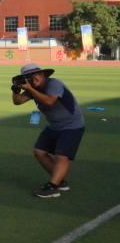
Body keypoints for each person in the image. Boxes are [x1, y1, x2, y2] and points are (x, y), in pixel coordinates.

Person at [11, 63, 86, 198]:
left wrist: (30, 89)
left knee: (62, 155)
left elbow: (49, 101)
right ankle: (59, 180)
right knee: (39, 152)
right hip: (54, 125)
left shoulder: (53, 84)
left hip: (72, 125)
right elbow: (18, 101)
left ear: (42, 74)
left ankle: (52, 187)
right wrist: (15, 91)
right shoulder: (33, 88)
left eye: (35, 76)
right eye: (28, 77)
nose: (33, 79)